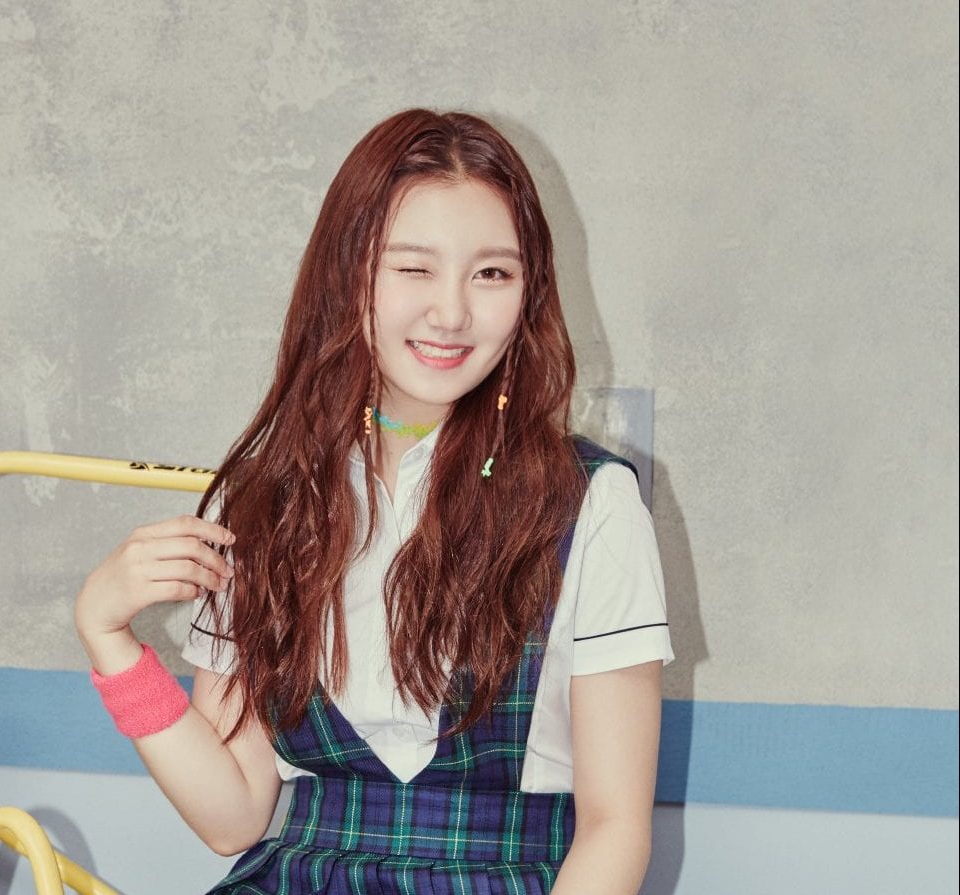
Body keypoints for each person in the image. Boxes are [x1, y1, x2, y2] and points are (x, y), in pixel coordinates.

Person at [75, 108, 673, 895]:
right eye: (413, 269)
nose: (451, 312)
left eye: (492, 273)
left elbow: (615, 827)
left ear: (528, 293)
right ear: (348, 274)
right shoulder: (261, 504)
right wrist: (109, 638)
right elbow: (233, 816)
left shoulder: (591, 504)